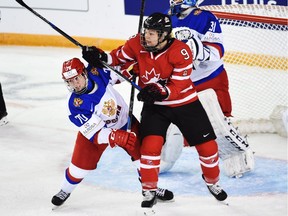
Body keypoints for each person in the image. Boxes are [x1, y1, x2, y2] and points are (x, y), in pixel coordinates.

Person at [82, 12, 228, 209]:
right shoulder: (136, 43)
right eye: (145, 32)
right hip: (156, 107)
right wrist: (99, 56)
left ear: (164, 35)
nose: (146, 36)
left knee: (208, 147)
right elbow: (117, 58)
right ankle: (149, 189)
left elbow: (177, 86)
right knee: (150, 147)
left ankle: (213, 183)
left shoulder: (181, 51)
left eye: (152, 33)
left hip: (185, 103)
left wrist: (159, 90)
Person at [51, 58, 173, 207]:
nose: (75, 84)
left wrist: (129, 71)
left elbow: (118, 73)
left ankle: (150, 189)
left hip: (124, 122)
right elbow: (95, 133)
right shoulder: (76, 105)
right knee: (79, 168)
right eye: (70, 81)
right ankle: (65, 190)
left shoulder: (97, 72)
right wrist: (114, 135)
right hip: (95, 134)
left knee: (144, 157)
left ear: (84, 73)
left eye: (76, 78)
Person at [159, 0, 254, 178]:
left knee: (218, 125)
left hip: (211, 80)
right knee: (172, 125)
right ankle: (165, 159)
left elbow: (217, 51)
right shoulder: (167, 18)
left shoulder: (205, 18)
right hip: (182, 83)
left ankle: (238, 158)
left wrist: (197, 50)